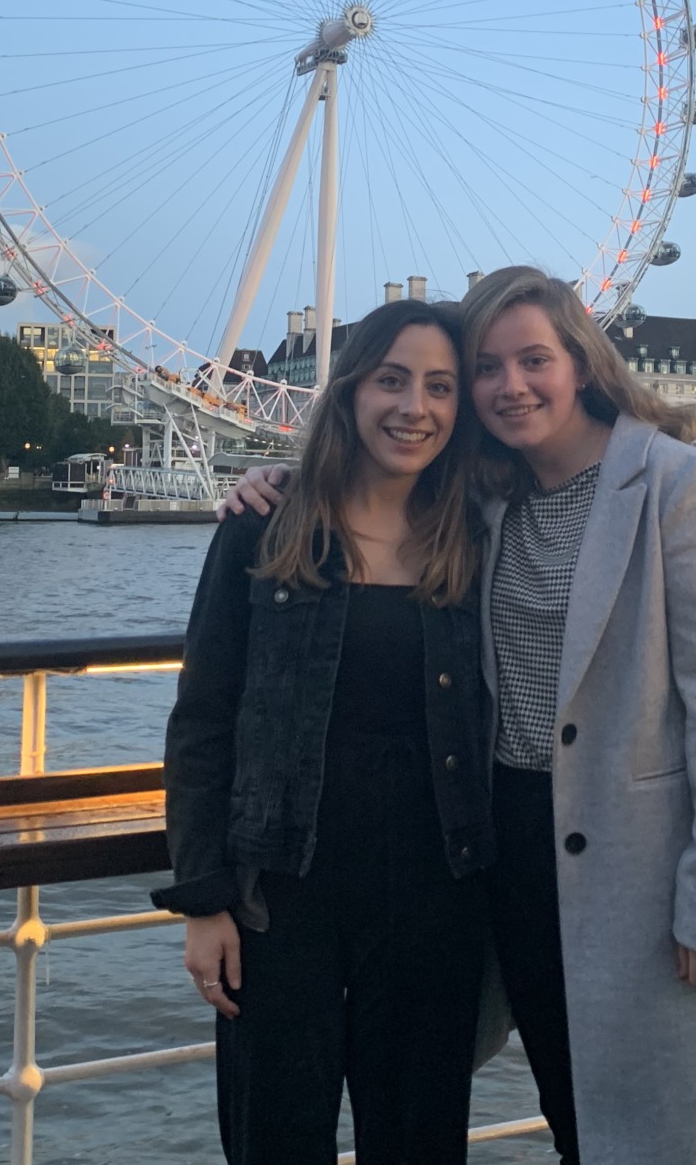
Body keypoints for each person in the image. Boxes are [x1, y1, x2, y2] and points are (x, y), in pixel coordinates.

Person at [223, 267, 696, 1165]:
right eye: (487, 369)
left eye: (533, 360)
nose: (509, 386)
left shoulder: (679, 487)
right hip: (502, 854)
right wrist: (277, 478)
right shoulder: (483, 500)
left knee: (657, 1128)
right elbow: (366, 485)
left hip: (634, 862)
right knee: (572, 1107)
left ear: (582, 362)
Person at [154, 298, 496, 1164]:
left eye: (440, 387)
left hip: (433, 898)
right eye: (391, 380)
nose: (413, 407)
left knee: (420, 1145)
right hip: (282, 898)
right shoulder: (263, 527)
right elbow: (203, 720)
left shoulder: (479, 536)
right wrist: (205, 898)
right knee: (275, 1141)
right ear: (347, 392)